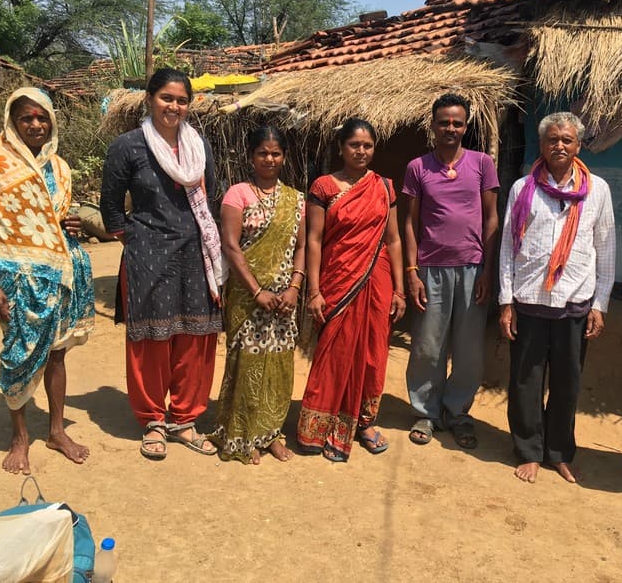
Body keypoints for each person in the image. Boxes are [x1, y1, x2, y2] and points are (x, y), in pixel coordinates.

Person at [0, 87, 95, 474]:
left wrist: (73, 224)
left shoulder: (59, 167)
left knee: (57, 352)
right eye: (27, 118)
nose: (36, 125)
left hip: (59, 274)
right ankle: (19, 436)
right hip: (14, 278)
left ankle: (56, 430)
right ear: (13, 120)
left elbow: (57, 221)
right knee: (19, 353)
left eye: (43, 118)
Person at [100, 68, 223, 460]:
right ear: (150, 98)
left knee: (195, 339)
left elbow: (213, 199)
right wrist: (136, 241)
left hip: (194, 255)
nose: (174, 106)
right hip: (148, 255)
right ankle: (153, 420)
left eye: (181, 100)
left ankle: (185, 419)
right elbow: (111, 207)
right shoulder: (129, 146)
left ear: (189, 105)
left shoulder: (198, 147)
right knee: (151, 341)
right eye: (166, 98)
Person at [498, 112, 615, 484]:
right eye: (552, 139)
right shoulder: (522, 189)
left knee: (567, 382)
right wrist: (505, 302)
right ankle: (529, 450)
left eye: (566, 140)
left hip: (574, 304)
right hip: (529, 300)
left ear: (578, 145)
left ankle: (559, 452)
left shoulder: (598, 190)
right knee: (525, 381)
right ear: (543, 144)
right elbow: (506, 249)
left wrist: (600, 304)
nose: (559, 145)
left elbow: (606, 250)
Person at [297, 118, 406, 462]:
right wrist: (314, 291)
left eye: (368, 145)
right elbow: (313, 240)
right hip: (337, 281)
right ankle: (318, 424)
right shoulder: (325, 187)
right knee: (335, 351)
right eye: (354, 145)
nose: (361, 151)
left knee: (372, 354)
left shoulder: (384, 187)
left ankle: (363, 423)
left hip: (378, 281)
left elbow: (393, 239)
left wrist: (399, 290)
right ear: (341, 148)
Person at [403, 93, 499, 448]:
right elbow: (410, 223)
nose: (451, 128)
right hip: (431, 268)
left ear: (466, 125)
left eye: (457, 122)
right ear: (433, 125)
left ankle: (457, 412)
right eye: (444, 122)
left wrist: (489, 269)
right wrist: (412, 271)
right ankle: (426, 413)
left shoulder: (481, 163)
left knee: (469, 348)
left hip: (473, 269)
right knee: (428, 346)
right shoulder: (418, 167)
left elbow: (491, 218)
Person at [208, 126, 306, 464]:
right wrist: (257, 291)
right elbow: (231, 247)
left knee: (279, 365)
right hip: (248, 296)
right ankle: (242, 435)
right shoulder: (237, 194)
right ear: (251, 155)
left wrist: (294, 287)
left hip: (284, 299)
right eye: (263, 152)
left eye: (276, 153)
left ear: (284, 156)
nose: (269, 158)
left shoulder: (296, 199)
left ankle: (272, 433)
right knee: (247, 362)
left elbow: (302, 246)